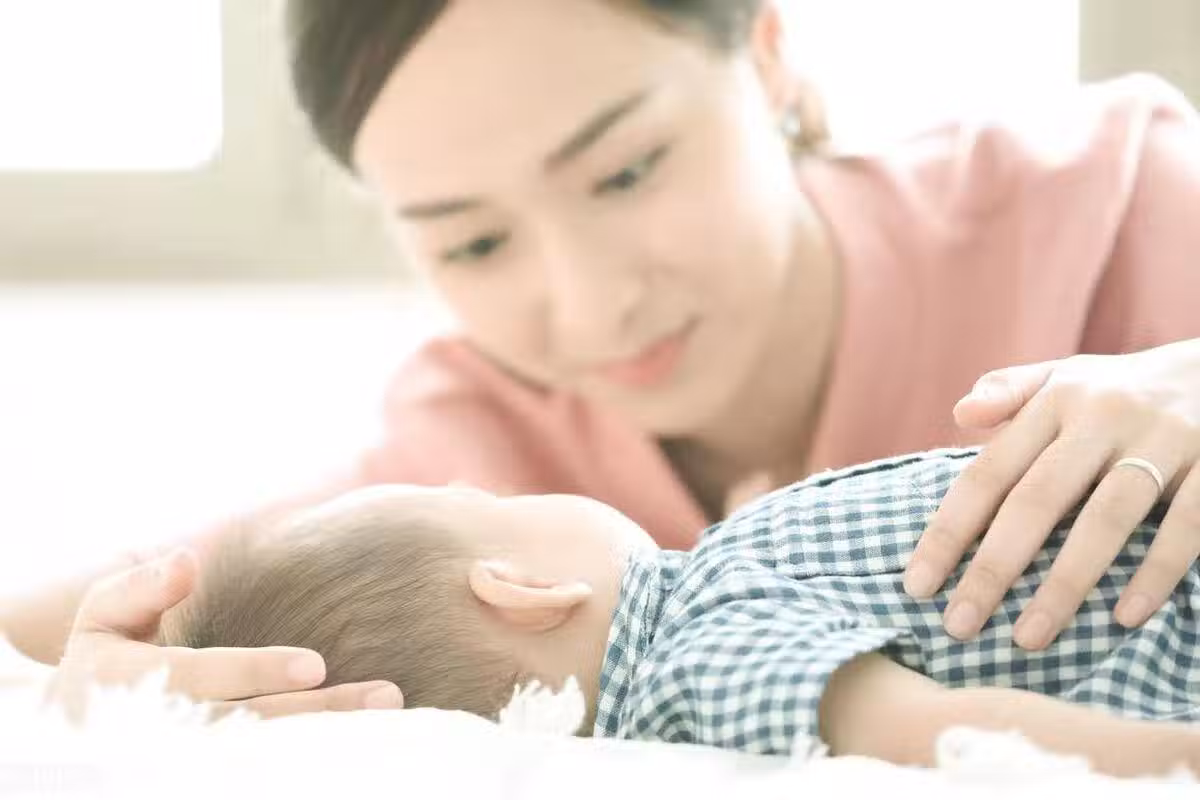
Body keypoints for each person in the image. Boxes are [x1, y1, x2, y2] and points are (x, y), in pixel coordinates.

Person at [6, 0, 1200, 718]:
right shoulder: (463, 448)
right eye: (474, 242)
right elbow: (51, 623)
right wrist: (102, 700)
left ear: (769, 54)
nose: (590, 307)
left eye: (627, 170)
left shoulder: (1108, 198)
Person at [151, 449, 1200, 778]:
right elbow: (940, 734)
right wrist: (1172, 758)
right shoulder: (706, 654)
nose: (530, 491)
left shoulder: (709, 599)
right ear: (522, 589)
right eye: (501, 503)